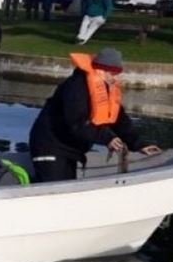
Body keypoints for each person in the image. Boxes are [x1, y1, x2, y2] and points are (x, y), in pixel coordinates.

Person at [29, 48, 161, 182]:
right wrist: (106, 137)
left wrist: (138, 144)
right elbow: (78, 122)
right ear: (100, 70)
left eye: (118, 74)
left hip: (71, 150)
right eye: (113, 74)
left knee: (68, 188)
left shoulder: (106, 89)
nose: (116, 78)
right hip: (50, 145)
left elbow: (119, 120)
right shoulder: (76, 87)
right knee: (56, 190)